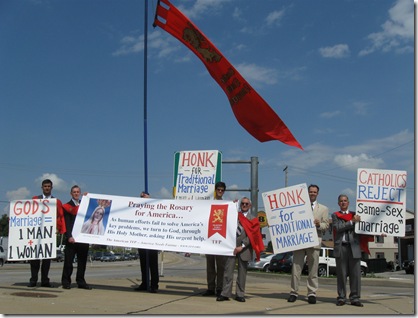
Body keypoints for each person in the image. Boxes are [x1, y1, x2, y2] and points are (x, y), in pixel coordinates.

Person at [288, 184, 329, 304]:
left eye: (314, 192)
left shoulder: (323, 209)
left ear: (318, 193)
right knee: (296, 268)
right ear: (307, 193)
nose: (312, 194)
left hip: (315, 241)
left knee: (313, 269)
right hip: (300, 242)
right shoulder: (299, 207)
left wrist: (318, 224)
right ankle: (293, 292)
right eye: (310, 192)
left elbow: (326, 226)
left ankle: (311, 293)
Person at [216, 197, 264, 303]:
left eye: (247, 204)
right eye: (242, 203)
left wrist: (242, 246)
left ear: (250, 206)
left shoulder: (253, 219)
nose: (244, 205)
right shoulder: (234, 215)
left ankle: (240, 294)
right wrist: (231, 204)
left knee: (242, 273)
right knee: (228, 272)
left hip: (244, 249)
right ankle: (225, 293)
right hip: (231, 248)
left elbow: (253, 236)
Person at [28, 179, 66, 287]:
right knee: (34, 258)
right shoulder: (35, 199)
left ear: (51, 188)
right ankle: (33, 280)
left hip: (49, 233)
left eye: (49, 186)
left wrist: (58, 228)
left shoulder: (56, 202)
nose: (47, 188)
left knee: (46, 259)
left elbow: (59, 216)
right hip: (36, 233)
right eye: (45, 186)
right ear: (42, 187)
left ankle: (45, 280)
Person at [332, 194, 364, 307]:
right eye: (341, 201)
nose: (343, 202)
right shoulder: (335, 215)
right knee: (341, 274)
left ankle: (355, 298)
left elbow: (366, 228)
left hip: (354, 247)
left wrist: (380, 232)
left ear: (348, 202)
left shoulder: (355, 215)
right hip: (341, 247)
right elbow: (338, 228)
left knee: (355, 274)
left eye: (345, 201)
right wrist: (351, 222)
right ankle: (341, 297)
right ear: (338, 203)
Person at [61, 185, 92, 290]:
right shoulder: (67, 206)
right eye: (74, 192)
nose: (76, 193)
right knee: (68, 262)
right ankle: (66, 282)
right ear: (71, 194)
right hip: (72, 239)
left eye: (78, 192)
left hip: (83, 239)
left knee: (82, 262)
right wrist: (69, 236)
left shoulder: (84, 204)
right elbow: (66, 222)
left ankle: (81, 281)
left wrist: (88, 197)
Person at [203, 181, 228, 297]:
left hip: (221, 240)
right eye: (218, 189)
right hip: (209, 239)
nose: (220, 192)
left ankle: (219, 288)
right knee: (210, 266)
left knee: (221, 267)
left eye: (222, 190)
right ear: (215, 190)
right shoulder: (209, 203)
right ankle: (210, 288)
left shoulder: (226, 204)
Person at [135, 191, 159, 293]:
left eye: (144, 196)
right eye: (141, 196)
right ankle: (145, 283)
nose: (142, 197)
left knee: (153, 263)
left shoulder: (155, 207)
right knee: (143, 263)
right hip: (141, 239)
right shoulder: (137, 208)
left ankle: (154, 284)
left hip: (152, 240)